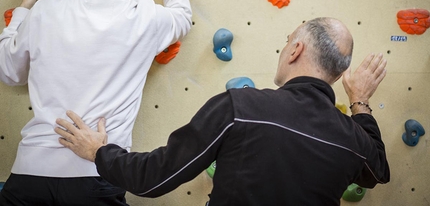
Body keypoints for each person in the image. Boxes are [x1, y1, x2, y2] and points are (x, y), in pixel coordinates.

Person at [55, 17, 390, 205]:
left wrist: (99, 151)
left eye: (288, 41)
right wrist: (359, 101)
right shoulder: (352, 139)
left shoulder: (241, 108)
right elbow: (378, 173)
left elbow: (154, 177)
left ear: (296, 50)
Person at [0, 0, 192, 205]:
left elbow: (10, 73)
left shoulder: (45, 11)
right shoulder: (146, 16)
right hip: (96, 174)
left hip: (30, 174)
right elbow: (182, 15)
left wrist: (26, 4)